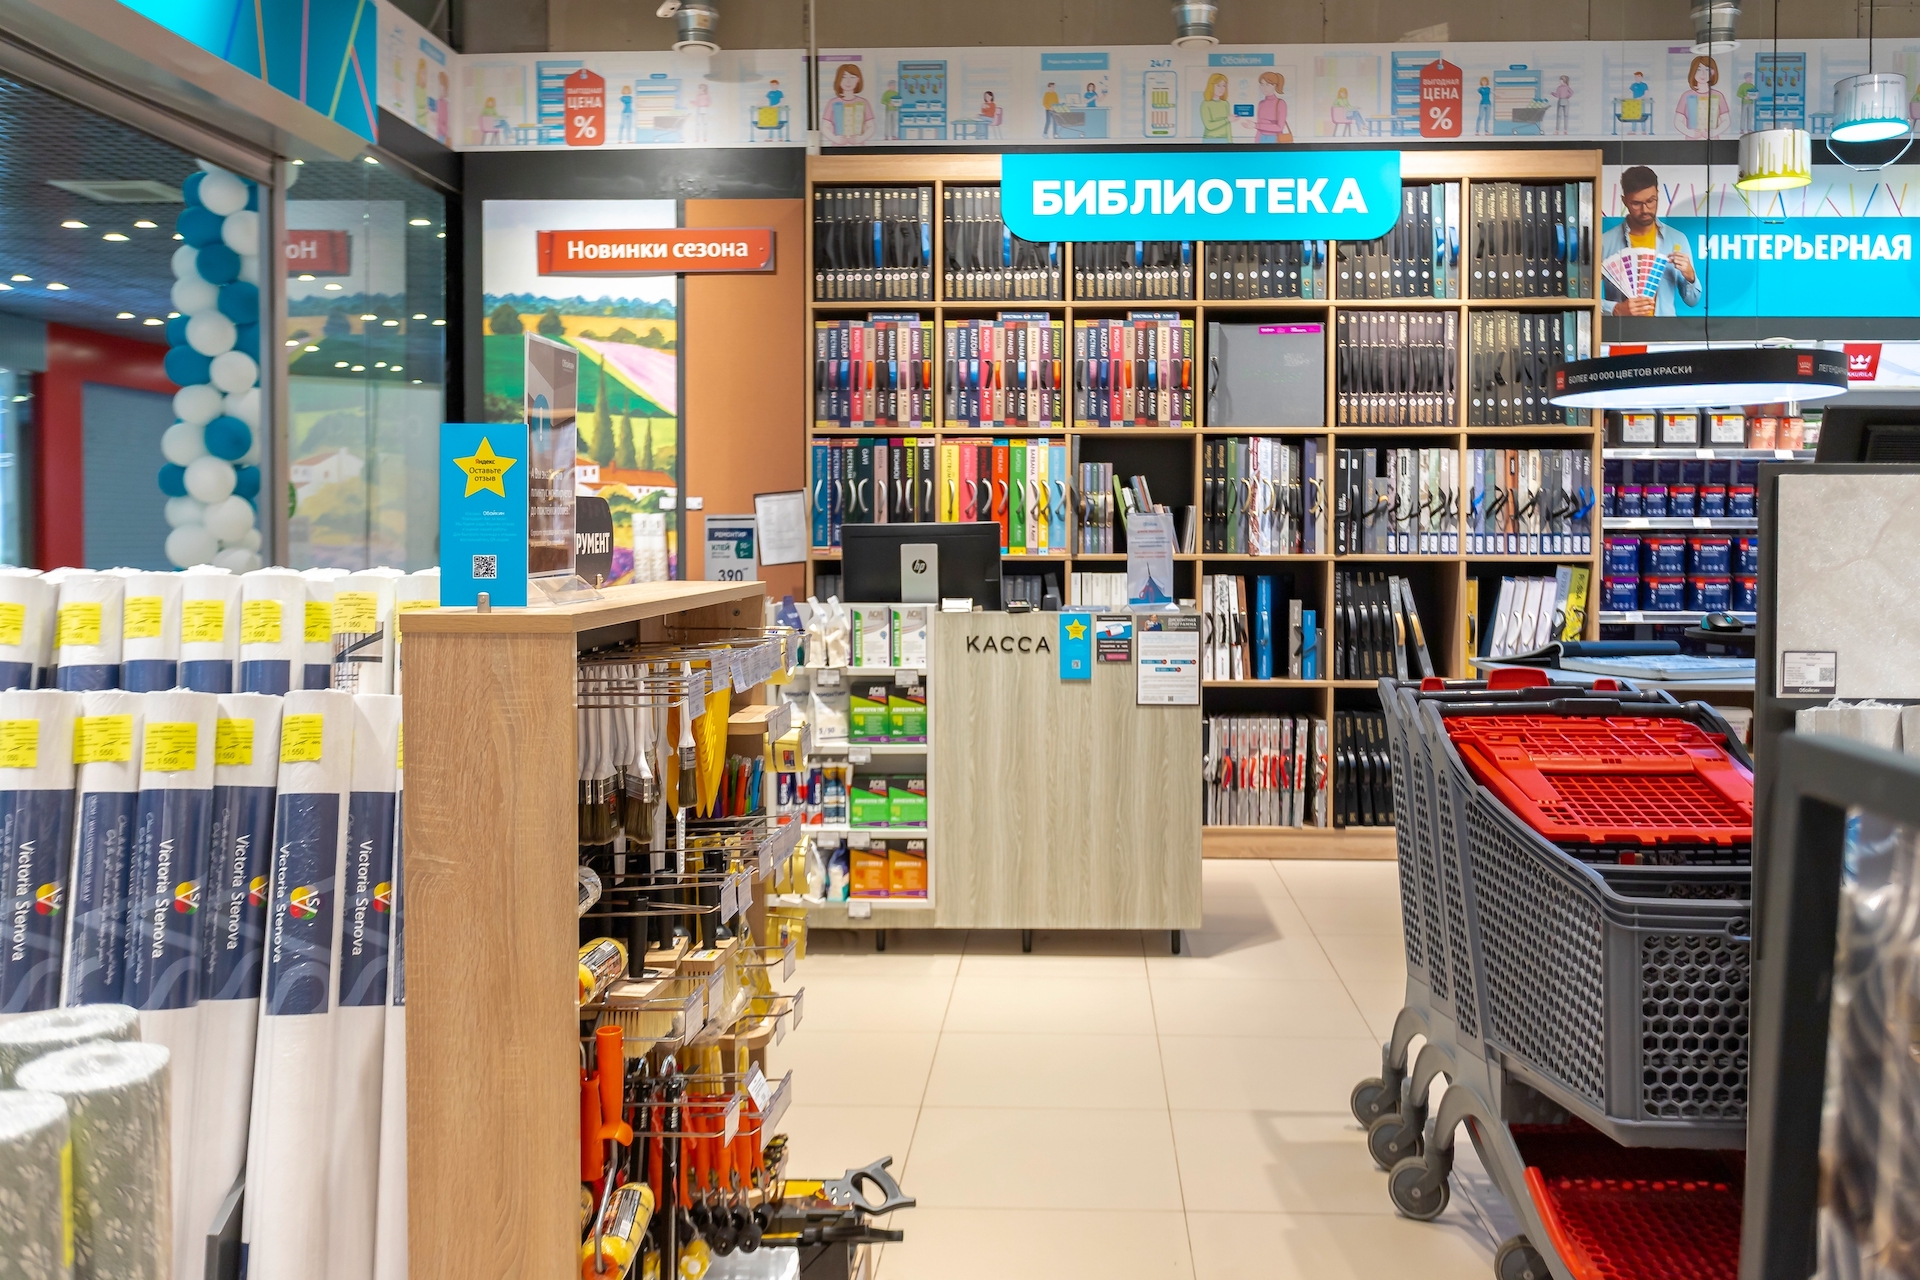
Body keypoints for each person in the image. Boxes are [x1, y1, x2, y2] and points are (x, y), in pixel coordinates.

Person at [1601, 165, 1701, 316]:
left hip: (1664, 331)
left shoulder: (1677, 239)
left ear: (1657, 195)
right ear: (1624, 201)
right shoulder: (1605, 243)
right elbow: (1584, 299)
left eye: (1651, 201)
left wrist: (1690, 276)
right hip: (1622, 330)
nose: (1645, 209)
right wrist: (1615, 309)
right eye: (1636, 203)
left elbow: (1692, 300)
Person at [1675, 54, 1729, 139]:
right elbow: (1678, 121)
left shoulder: (1718, 95)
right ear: (1693, 71)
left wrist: (1714, 132)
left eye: (1707, 69)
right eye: (1698, 69)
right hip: (1691, 142)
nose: (1703, 74)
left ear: (1713, 72)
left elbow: (1726, 120)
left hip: (1713, 142)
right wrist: (1689, 133)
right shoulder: (1686, 95)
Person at [825, 64, 873, 144]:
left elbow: (871, 126)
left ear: (858, 80)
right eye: (844, 77)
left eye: (852, 77)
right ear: (838, 79)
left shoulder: (863, 102)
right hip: (837, 149)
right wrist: (835, 139)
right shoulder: (833, 103)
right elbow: (825, 127)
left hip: (859, 148)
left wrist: (861, 138)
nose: (848, 81)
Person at [1255, 70, 1290, 143]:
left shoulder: (1280, 103)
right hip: (1261, 138)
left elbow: (1279, 128)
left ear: (1274, 85)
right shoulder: (1261, 103)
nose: (1264, 87)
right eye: (1262, 84)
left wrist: (1256, 125)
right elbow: (1259, 129)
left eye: (1267, 84)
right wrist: (1256, 143)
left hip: (1275, 139)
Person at [1201, 72, 1232, 140]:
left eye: (1224, 86)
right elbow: (1209, 126)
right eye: (1218, 85)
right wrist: (1226, 120)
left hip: (1224, 139)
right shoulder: (1206, 104)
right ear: (1211, 86)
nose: (1222, 88)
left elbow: (1228, 126)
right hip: (1210, 139)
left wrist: (1230, 142)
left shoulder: (1225, 103)